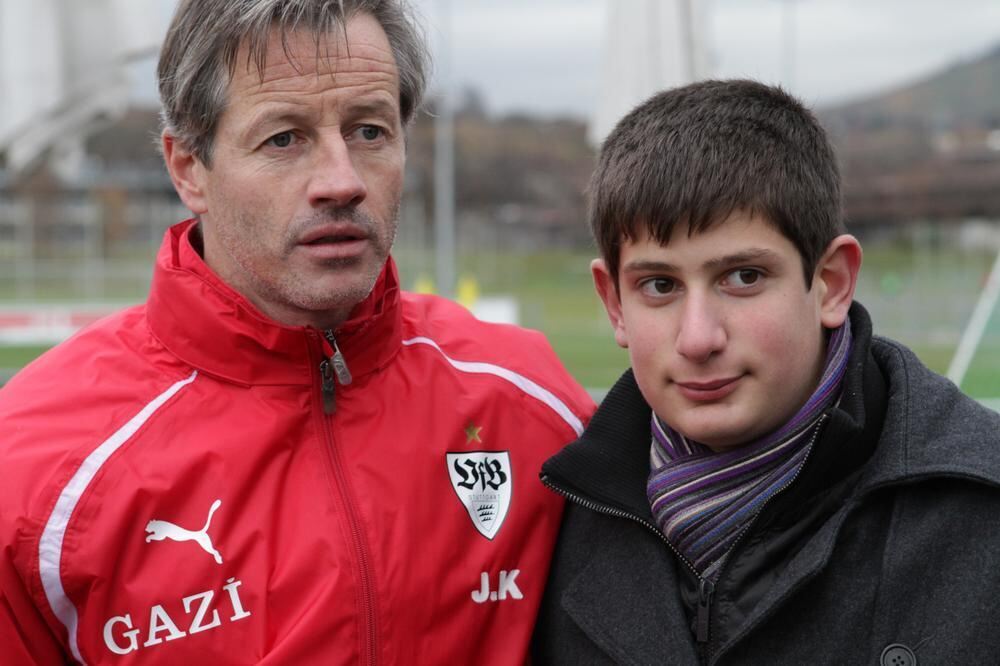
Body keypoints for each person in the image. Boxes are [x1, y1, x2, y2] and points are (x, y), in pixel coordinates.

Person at [0, 1, 593, 663]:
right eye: (284, 139)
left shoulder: (537, 406)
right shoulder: (34, 471)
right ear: (188, 168)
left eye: (368, 131)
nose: (342, 181)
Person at [532, 79, 1000, 664]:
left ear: (831, 283)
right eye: (659, 285)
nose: (698, 338)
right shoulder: (546, 522)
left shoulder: (981, 511)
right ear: (614, 303)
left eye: (743, 277)